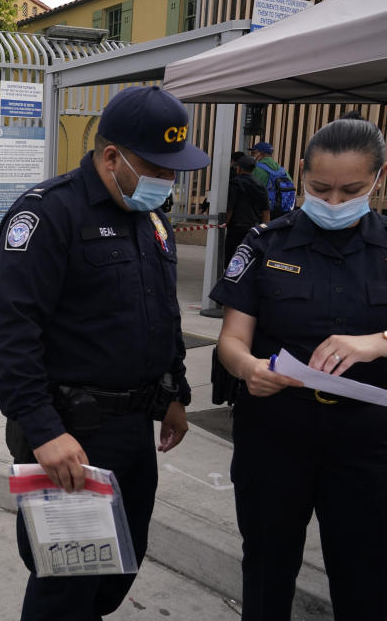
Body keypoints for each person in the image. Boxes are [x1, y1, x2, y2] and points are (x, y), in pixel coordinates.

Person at [0, 85, 207, 621]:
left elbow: (163, 316)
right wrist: (42, 429)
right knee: (65, 585)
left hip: (133, 431)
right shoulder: (49, 214)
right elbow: (13, 332)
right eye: (159, 168)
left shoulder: (150, 219)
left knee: (116, 573)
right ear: (113, 157)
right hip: (72, 435)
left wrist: (173, 392)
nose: (168, 181)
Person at [211, 118, 387, 620]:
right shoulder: (265, 244)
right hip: (276, 433)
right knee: (267, 564)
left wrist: (378, 342)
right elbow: (231, 340)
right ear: (302, 174)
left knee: (367, 570)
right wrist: (248, 368)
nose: (334, 201)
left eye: (351, 190)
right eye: (319, 187)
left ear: (379, 178)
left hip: (368, 441)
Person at [224, 155, 270, 269]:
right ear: (253, 169)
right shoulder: (261, 186)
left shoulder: (234, 183)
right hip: (253, 229)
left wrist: (224, 224)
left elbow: (230, 208)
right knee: (248, 260)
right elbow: (266, 211)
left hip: (235, 229)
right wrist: (265, 230)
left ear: (239, 168)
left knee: (231, 260)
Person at [250, 141, 296, 219]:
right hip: (284, 211)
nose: (252, 155)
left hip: (264, 213)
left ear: (261, 153)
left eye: (253, 153)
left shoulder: (256, 169)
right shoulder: (282, 170)